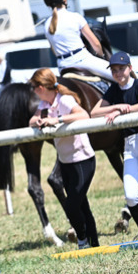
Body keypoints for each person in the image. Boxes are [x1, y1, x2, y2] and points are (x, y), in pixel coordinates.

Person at [28, 68, 99, 249]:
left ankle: (82, 239)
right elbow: (31, 120)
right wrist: (38, 121)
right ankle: (93, 245)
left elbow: (84, 115)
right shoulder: (44, 105)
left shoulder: (65, 100)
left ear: (43, 87)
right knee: (83, 207)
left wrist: (57, 120)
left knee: (72, 207)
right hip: (65, 162)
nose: (33, 91)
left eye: (34, 87)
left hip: (83, 160)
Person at [90, 51, 138, 238]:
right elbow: (95, 112)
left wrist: (122, 112)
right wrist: (115, 107)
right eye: (114, 70)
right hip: (129, 146)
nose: (118, 73)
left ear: (130, 68)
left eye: (121, 68)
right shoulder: (113, 90)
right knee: (130, 195)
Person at [41, 0, 115, 82]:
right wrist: (101, 56)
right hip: (83, 60)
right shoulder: (75, 17)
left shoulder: (46, 25)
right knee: (122, 75)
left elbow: (54, 50)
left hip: (63, 66)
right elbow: (96, 44)